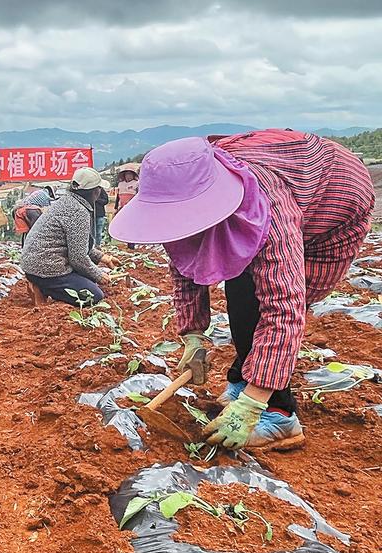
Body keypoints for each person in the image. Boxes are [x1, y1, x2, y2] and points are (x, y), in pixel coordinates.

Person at [110, 132, 375, 449]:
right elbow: (185, 259)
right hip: (286, 191)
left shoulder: (268, 207)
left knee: (265, 301)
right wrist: (193, 334)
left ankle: (278, 413)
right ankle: (242, 380)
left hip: (333, 207)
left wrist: (253, 403)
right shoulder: (186, 200)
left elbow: (284, 310)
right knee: (241, 286)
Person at [20, 167, 116, 306]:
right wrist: (98, 275)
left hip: (33, 266)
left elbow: (78, 244)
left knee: (88, 276)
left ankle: (40, 284)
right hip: (47, 270)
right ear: (95, 192)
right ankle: (42, 287)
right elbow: (78, 257)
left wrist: (102, 257)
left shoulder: (67, 201)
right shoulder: (78, 211)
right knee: (94, 296)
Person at [113, 164, 139, 248]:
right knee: (124, 225)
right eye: (127, 174)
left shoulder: (136, 184)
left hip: (133, 208)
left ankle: (132, 244)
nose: (128, 176)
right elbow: (118, 196)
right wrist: (116, 207)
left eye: (130, 174)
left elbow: (138, 195)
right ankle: (125, 241)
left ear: (133, 175)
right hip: (122, 207)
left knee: (132, 225)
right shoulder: (121, 184)